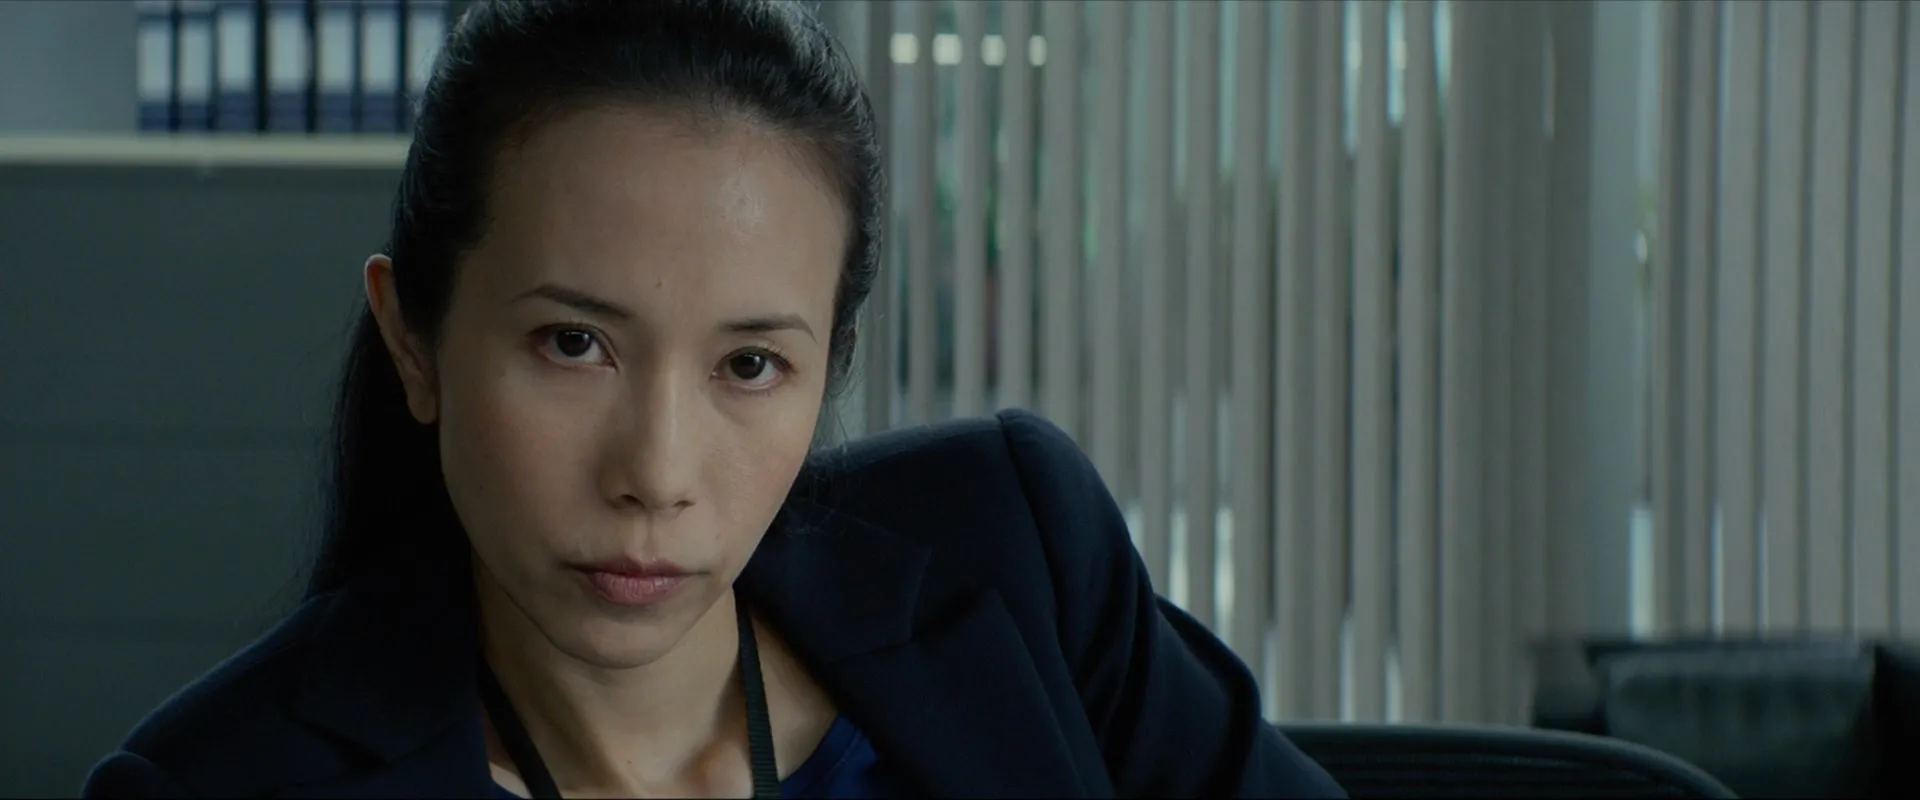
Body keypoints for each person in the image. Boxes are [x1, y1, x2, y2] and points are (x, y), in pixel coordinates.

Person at [81, 1, 1344, 797]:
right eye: (574, 343)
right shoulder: (213, 782)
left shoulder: (1019, 557)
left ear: (829, 364)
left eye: (750, 366)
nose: (657, 471)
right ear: (414, 338)